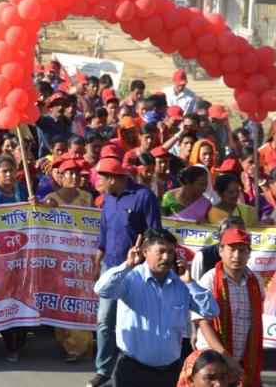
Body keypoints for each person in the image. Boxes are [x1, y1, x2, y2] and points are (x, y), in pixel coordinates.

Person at [94, 228, 219, 387]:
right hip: (133, 371)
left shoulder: (182, 284)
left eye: (171, 252)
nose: (166, 257)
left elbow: (211, 311)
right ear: (145, 252)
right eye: (161, 251)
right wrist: (127, 265)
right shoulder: (131, 278)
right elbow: (101, 289)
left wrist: (190, 283)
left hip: (170, 372)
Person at [88, 157, 161, 387]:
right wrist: (97, 262)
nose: (97, 181)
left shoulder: (144, 196)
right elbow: (103, 233)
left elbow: (155, 233)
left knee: (136, 322)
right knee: (104, 321)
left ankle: (134, 370)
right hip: (111, 268)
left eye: (100, 178)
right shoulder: (107, 199)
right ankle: (104, 369)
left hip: (137, 271)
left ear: (112, 178)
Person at [194, 228, 265, 387]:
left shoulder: (257, 281)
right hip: (213, 360)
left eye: (242, 250)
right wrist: (226, 358)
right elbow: (204, 322)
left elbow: (255, 322)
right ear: (221, 251)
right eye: (231, 250)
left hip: (244, 359)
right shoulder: (209, 280)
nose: (237, 256)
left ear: (249, 253)